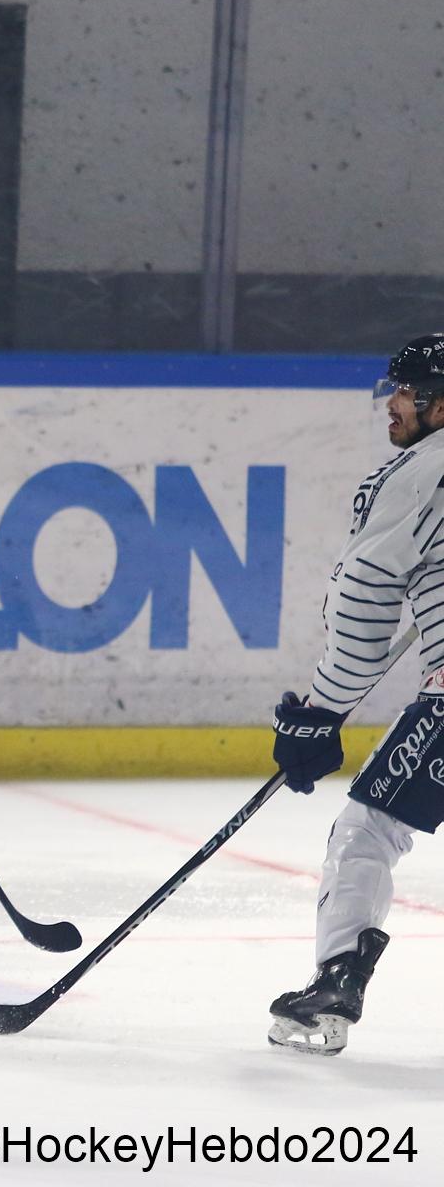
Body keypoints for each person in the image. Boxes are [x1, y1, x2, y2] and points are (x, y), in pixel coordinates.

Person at [266, 334, 444, 1056]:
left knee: (368, 829)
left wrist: (320, 713)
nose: (391, 403)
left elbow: (365, 604)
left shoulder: (421, 471)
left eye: (405, 390)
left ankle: (337, 983)